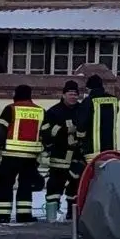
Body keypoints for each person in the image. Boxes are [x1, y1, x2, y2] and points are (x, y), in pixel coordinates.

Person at [0, 84, 44, 224]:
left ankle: (3, 216)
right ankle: (24, 215)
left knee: (5, 185)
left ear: (16, 94)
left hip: (11, 155)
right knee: (25, 185)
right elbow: (46, 134)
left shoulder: (11, 109)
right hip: (30, 157)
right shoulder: (40, 111)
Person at [40, 80, 80, 222]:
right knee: (55, 186)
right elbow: (46, 132)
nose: (73, 97)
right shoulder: (54, 112)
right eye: (70, 94)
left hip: (77, 156)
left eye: (75, 94)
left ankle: (72, 213)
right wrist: (65, 130)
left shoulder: (82, 110)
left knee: (76, 186)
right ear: (63, 95)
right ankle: (52, 215)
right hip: (59, 156)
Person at [74, 73, 119, 159]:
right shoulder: (114, 100)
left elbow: (82, 125)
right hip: (111, 150)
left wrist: (79, 140)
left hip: (93, 150)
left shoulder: (88, 102)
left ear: (89, 89)